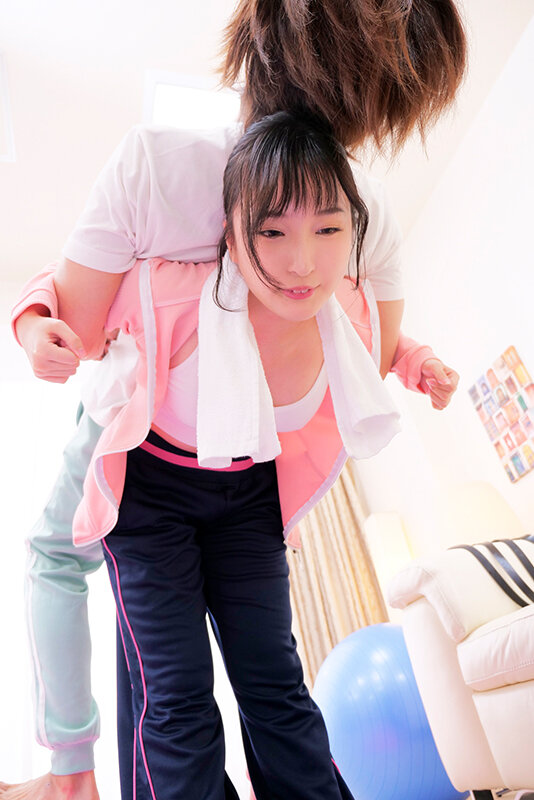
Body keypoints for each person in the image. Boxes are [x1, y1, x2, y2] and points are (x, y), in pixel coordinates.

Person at [5, 1, 465, 798]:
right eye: (272, 232)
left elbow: (369, 341)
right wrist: (32, 317)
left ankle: (82, 765)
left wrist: (414, 358)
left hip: (248, 478)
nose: (300, 259)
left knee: (269, 683)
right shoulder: (164, 195)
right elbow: (81, 322)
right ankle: (72, 765)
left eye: (325, 232)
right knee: (166, 681)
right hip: (142, 452)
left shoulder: (355, 237)